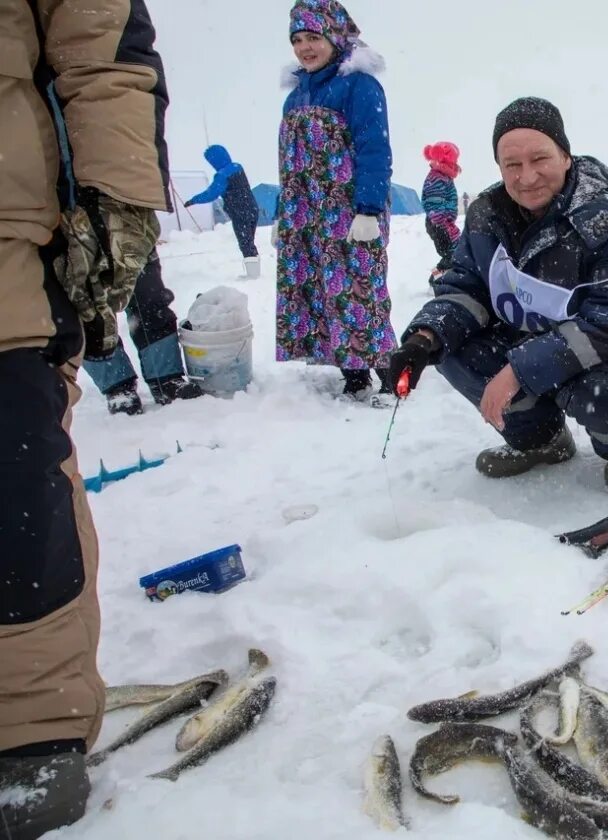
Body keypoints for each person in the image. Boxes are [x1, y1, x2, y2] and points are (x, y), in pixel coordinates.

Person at [2, 2, 170, 835]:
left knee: (13, 468)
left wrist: (117, 199)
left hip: (6, 232)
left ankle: (26, 723)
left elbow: (103, 46)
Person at [388, 97, 608, 495]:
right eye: (512, 165)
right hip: (535, 338)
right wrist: (424, 339)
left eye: (540, 158)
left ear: (565, 155)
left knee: (605, 395)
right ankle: (542, 440)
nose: (527, 177)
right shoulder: (487, 216)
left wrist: (519, 371)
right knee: (455, 351)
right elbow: (466, 287)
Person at [277, 0, 397, 404]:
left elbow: (374, 150)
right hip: (306, 216)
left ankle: (389, 370)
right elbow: (289, 165)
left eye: (313, 37)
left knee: (360, 290)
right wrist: (283, 213)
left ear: (334, 37)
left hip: (348, 213)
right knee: (322, 291)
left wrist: (367, 209)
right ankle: (353, 374)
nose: (304, 48)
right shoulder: (294, 97)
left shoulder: (359, 86)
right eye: (297, 39)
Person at [82, 250, 205, 414]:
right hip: (71, 236)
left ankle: (165, 378)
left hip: (130, 233)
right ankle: (117, 386)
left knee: (149, 298)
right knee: (87, 308)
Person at [183, 144, 261, 277]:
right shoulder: (238, 167)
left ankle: (253, 276)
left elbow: (211, 194)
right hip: (253, 208)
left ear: (213, 161)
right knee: (250, 241)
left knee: (245, 243)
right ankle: (255, 273)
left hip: (240, 212)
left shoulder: (222, 175)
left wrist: (193, 200)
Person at [422, 142, 462, 277]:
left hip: (444, 224)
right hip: (439, 225)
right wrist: (442, 225)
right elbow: (434, 203)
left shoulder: (443, 176)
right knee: (452, 254)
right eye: (454, 160)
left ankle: (442, 275)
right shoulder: (437, 178)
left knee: (456, 252)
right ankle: (438, 279)